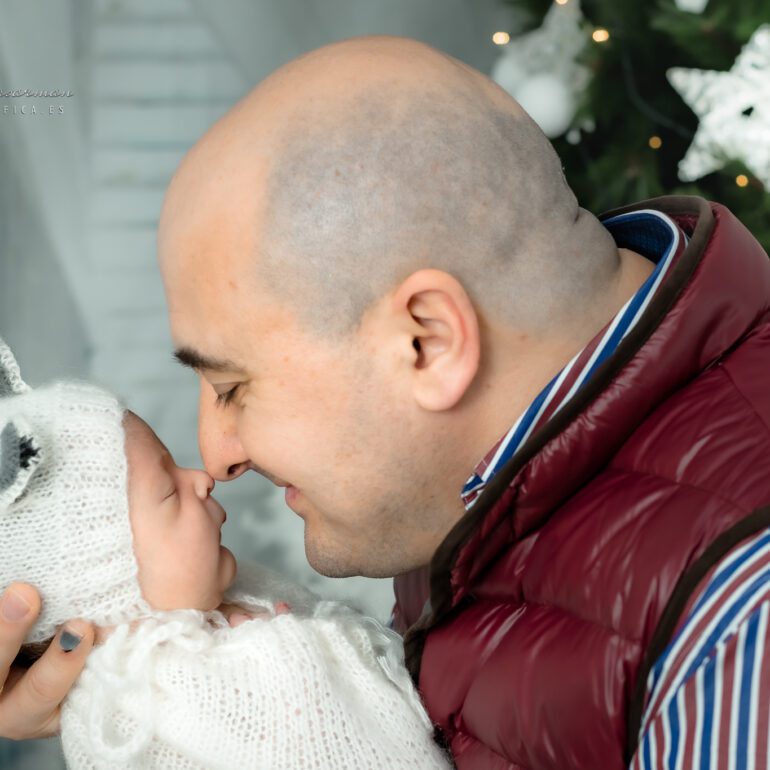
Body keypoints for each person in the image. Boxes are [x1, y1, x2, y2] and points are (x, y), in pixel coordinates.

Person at [1, 33, 769, 769]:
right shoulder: (474, 481)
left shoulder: (734, 635)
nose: (219, 455)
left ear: (426, 341)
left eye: (232, 386)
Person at [0, 337, 450, 769]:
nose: (202, 477)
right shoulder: (165, 702)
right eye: (168, 492)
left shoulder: (224, 605)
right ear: (106, 595)